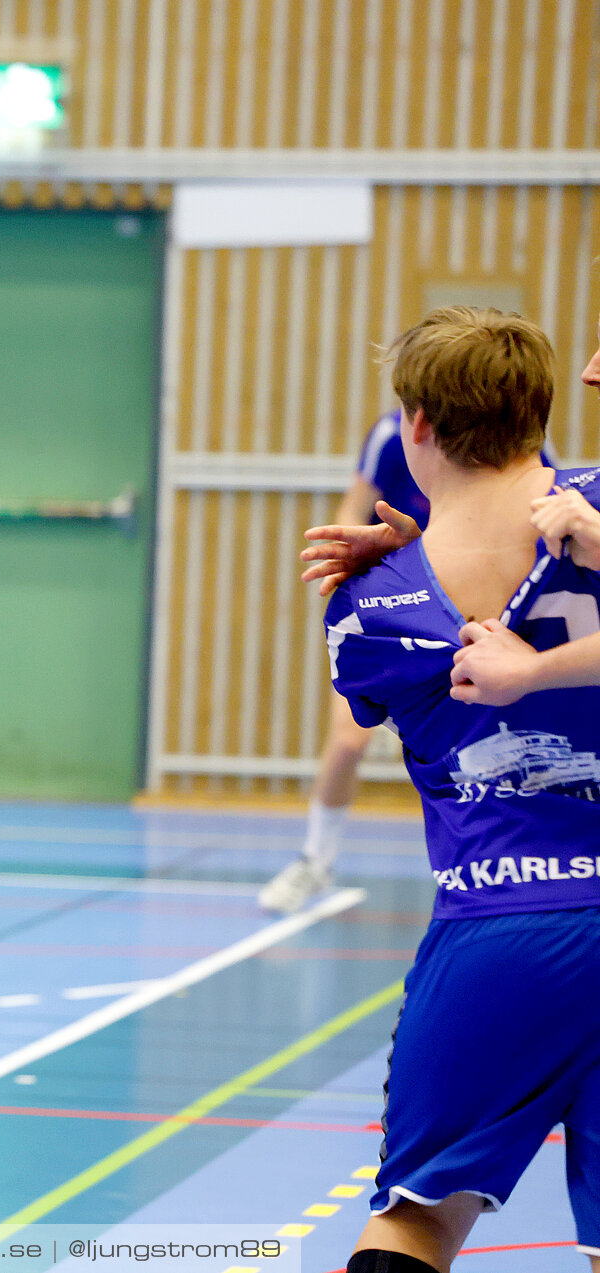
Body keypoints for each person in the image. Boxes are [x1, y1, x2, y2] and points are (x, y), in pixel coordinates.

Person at [304, 306, 600, 1273]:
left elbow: (385, 687)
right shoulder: (594, 516)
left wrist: (392, 567)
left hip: (499, 923)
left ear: (416, 427)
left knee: (417, 1215)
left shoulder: (372, 597)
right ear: (541, 411)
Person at [260, 407, 559, 913]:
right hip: (400, 607)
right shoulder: (387, 436)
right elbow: (355, 507)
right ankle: (315, 860)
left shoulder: (519, 441)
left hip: (477, 605)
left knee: (495, 741)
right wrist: (352, 573)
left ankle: (522, 870)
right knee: (347, 741)